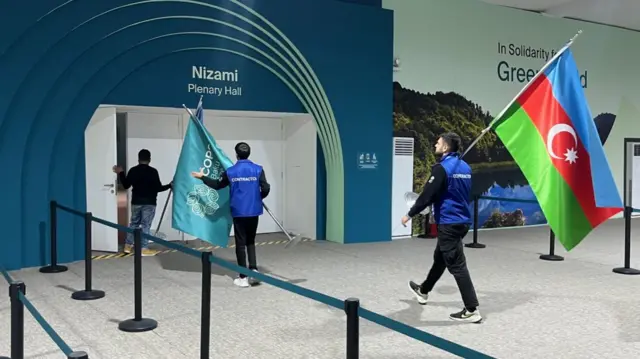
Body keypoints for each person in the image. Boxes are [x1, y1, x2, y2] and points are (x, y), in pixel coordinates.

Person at [401, 132, 482, 323]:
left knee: (457, 265)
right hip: (462, 222)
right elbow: (453, 192)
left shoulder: (442, 169)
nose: (435, 145)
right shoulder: (465, 167)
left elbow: (426, 196)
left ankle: (472, 310)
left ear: (446, 147)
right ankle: (424, 290)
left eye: (437, 143)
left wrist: (409, 214)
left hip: (449, 223)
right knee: (441, 258)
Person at [191, 142, 270, 288]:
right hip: (254, 210)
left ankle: (243, 276)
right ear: (249, 153)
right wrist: (259, 197)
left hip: (239, 212)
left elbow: (217, 184)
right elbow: (266, 187)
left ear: (236, 154)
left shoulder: (231, 172)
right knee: (251, 240)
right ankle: (253, 269)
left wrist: (202, 177)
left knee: (240, 243)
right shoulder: (258, 169)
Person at [113, 149, 172, 256]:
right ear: (149, 159)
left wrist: (121, 173)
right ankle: (143, 248)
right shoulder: (153, 172)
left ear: (138, 159)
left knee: (133, 224)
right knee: (146, 225)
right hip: (149, 203)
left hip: (136, 202)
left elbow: (126, 185)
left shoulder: (133, 170)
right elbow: (158, 188)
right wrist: (169, 185)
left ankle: (128, 246)